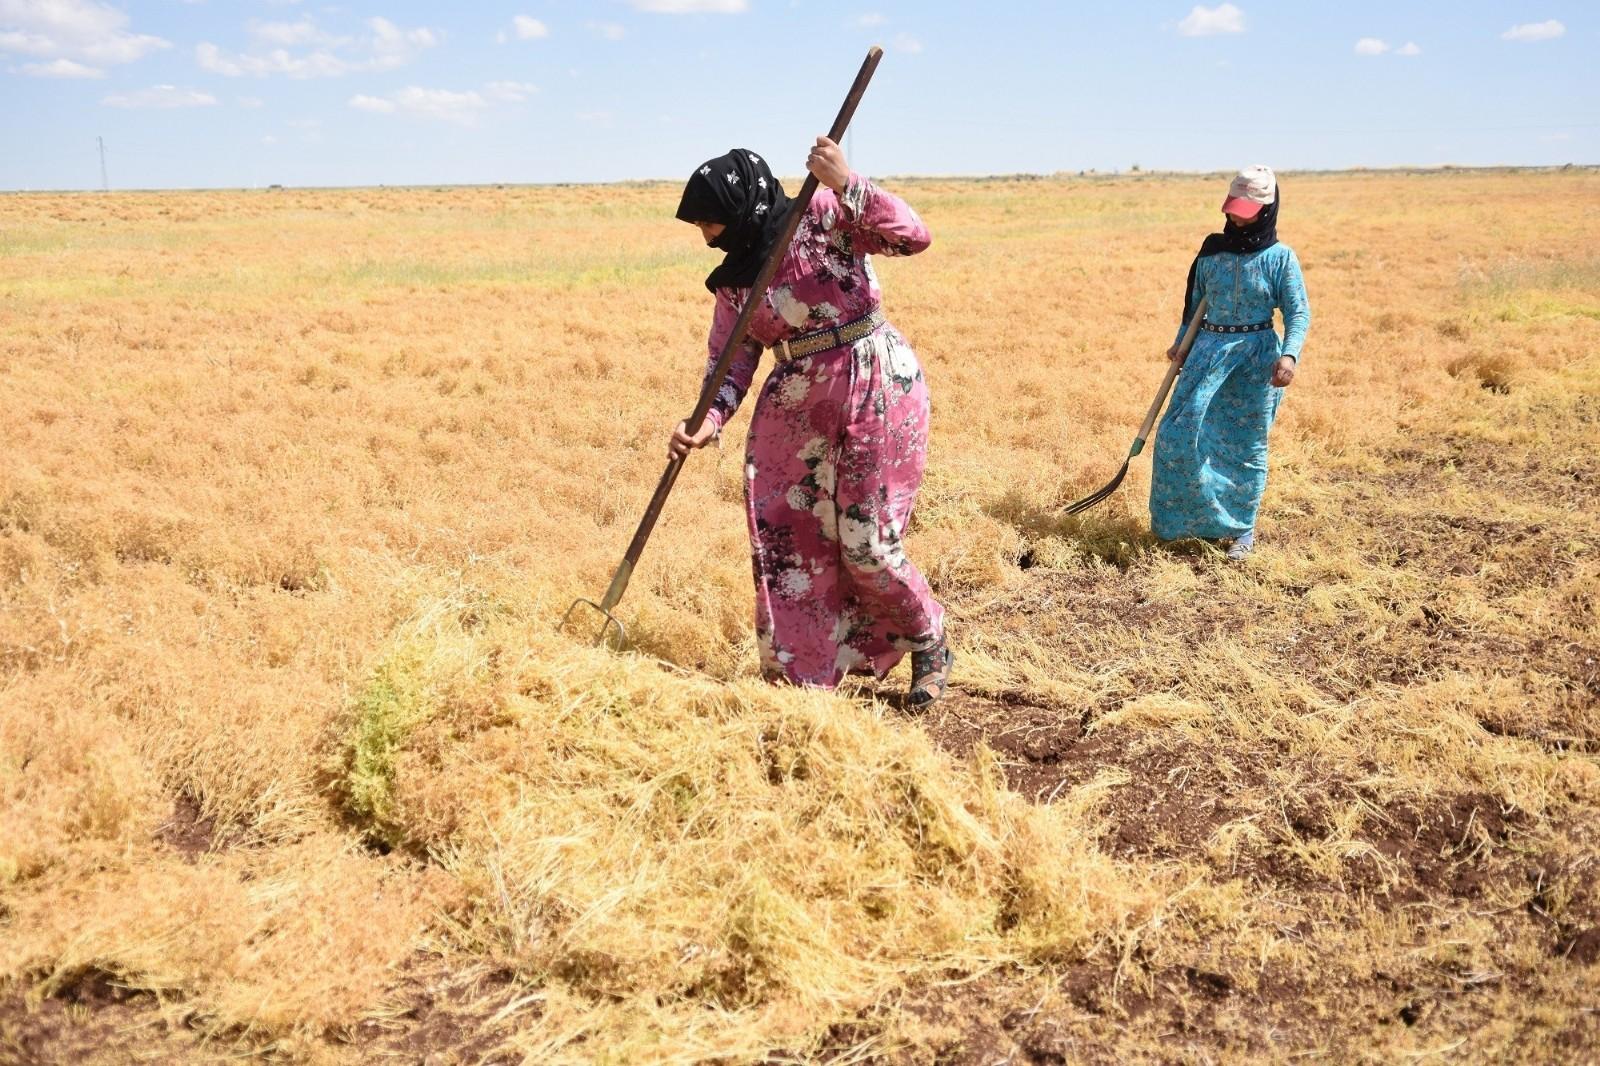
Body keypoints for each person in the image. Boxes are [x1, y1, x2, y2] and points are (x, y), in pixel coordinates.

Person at [667, 138, 951, 705]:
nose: (706, 237)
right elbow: (730, 363)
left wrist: (848, 183)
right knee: (790, 542)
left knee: (867, 541)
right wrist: (708, 420)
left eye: (711, 222)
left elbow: (913, 237)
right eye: (700, 224)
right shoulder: (733, 283)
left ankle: (929, 639)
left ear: (741, 206)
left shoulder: (820, 214)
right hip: (796, 408)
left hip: (876, 384)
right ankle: (806, 681)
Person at [1149, 164, 1310, 561]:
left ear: (1267, 209)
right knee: (1178, 435)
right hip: (1206, 354)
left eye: (1246, 209)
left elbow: (1298, 312)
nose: (1236, 216)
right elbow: (1193, 308)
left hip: (1255, 362)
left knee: (1242, 448)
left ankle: (1241, 530)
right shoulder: (1212, 251)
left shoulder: (1280, 259)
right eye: (1233, 207)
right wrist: (1179, 344)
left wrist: (1289, 354)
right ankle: (1183, 524)